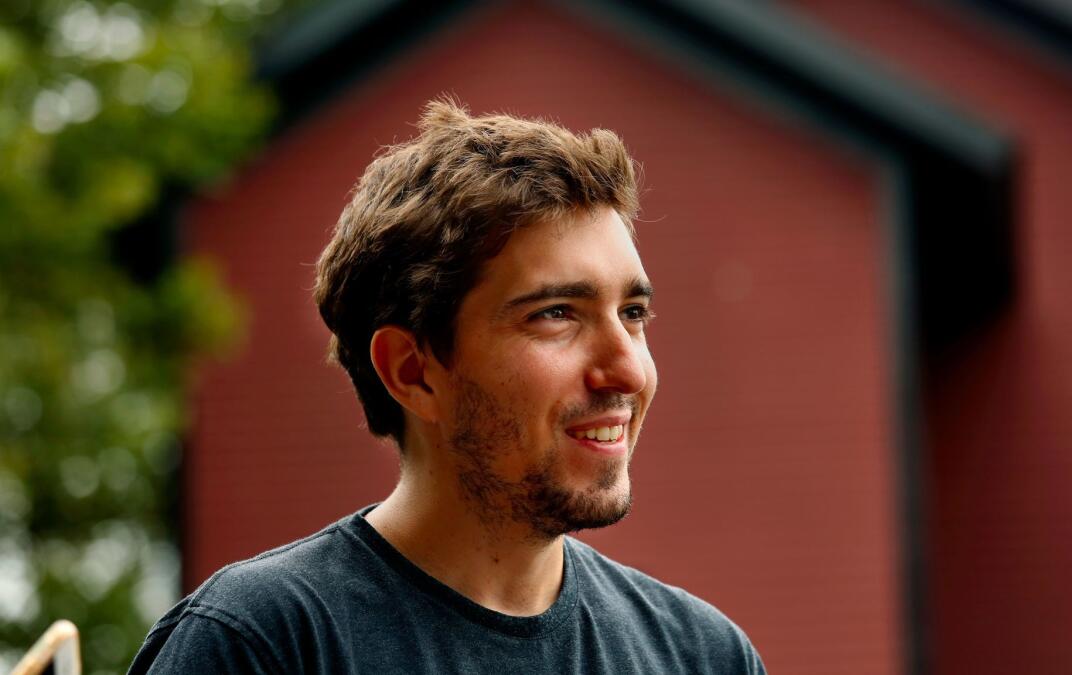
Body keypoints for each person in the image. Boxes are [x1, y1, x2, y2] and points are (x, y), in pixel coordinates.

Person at [128, 100, 766, 673]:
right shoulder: (261, 645)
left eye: (633, 314)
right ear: (411, 370)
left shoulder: (703, 656)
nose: (628, 370)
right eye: (556, 315)